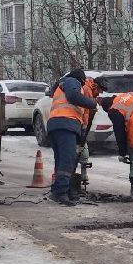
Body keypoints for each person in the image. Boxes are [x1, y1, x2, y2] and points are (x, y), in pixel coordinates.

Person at [46, 69, 98, 206]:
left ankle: (59, 191)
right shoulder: (71, 81)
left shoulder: (63, 85)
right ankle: (61, 193)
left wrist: (82, 129)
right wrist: (92, 103)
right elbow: (73, 96)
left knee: (61, 160)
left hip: (58, 125)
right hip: (65, 124)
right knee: (67, 159)